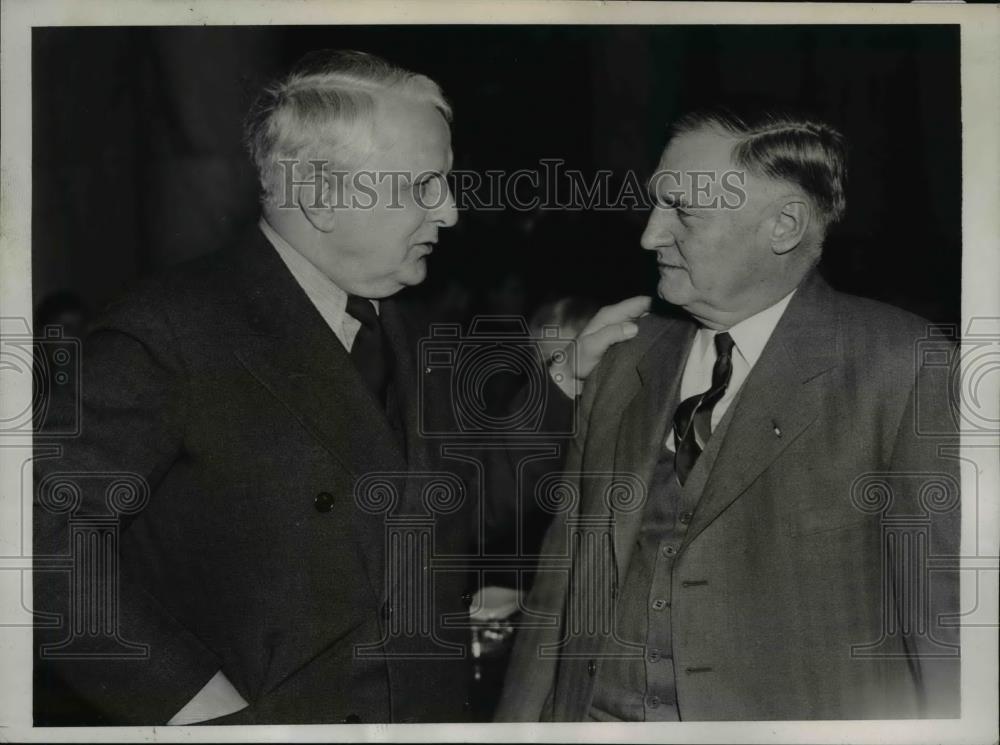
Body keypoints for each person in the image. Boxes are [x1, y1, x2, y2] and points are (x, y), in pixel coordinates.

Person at [32, 50, 648, 725]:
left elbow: (454, 511)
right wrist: (192, 706)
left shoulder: (409, 327)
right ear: (324, 198)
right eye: (423, 186)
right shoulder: (168, 331)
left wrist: (567, 377)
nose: (449, 211)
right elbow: (39, 544)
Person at [496, 108, 960, 721]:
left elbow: (946, 628)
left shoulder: (905, 365)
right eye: (655, 205)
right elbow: (558, 591)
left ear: (784, 225)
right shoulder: (623, 355)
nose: (650, 235)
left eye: (684, 211)